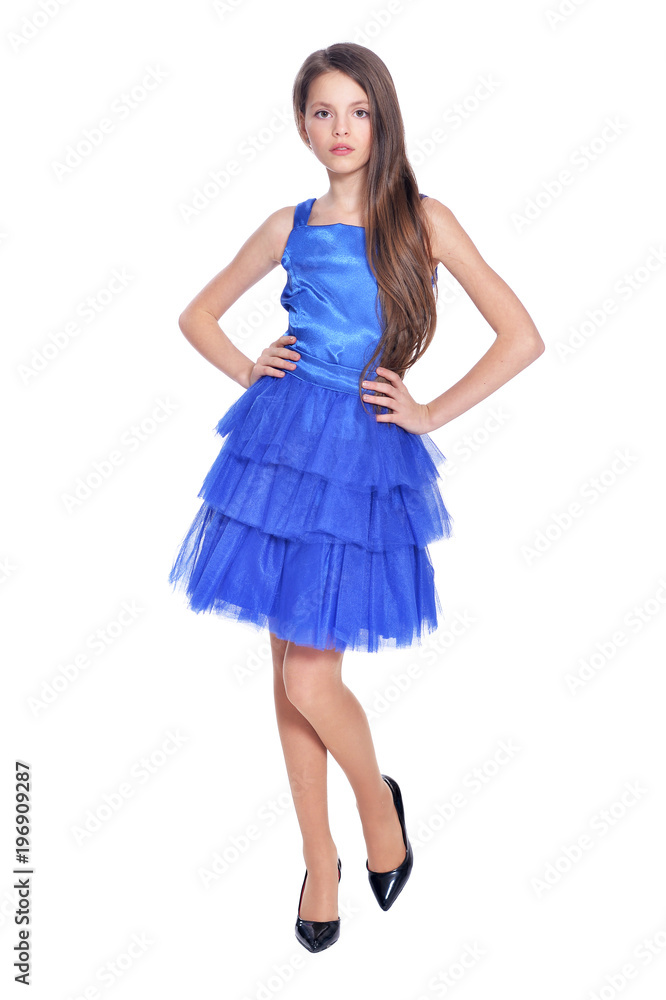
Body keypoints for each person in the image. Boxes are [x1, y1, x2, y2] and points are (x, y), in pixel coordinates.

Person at [168, 42, 545, 953]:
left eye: (357, 112)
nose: (340, 129)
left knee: (311, 674)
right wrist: (248, 365)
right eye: (323, 112)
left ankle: (380, 810)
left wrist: (424, 412)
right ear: (302, 124)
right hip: (280, 448)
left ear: (383, 119)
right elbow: (197, 315)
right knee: (286, 677)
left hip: (362, 458)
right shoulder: (285, 224)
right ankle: (319, 858)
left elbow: (521, 336)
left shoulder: (422, 219)